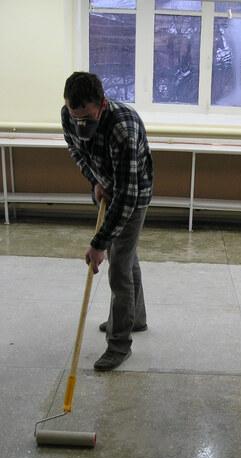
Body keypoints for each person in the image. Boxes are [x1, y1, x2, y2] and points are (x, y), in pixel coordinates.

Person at [61, 71, 153, 371]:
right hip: (107, 187)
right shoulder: (68, 115)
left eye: (86, 117)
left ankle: (119, 345)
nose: (79, 124)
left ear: (101, 104)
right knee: (126, 258)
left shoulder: (123, 128)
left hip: (133, 195)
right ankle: (135, 318)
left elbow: (127, 195)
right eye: (75, 117)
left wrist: (99, 243)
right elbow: (77, 152)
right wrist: (95, 181)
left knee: (119, 269)